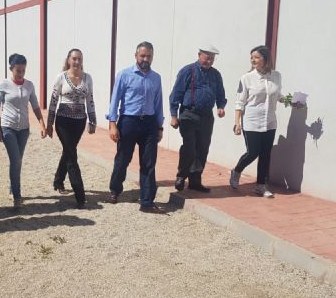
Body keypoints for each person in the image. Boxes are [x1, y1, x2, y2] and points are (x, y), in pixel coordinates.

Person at [106, 41, 166, 214]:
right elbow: (115, 100)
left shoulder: (156, 78)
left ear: (152, 57)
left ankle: (146, 201)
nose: (145, 59)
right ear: (136, 56)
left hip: (149, 124)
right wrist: (112, 124)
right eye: (142, 56)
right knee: (123, 159)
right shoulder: (124, 75)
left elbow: (158, 102)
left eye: (149, 56)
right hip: (128, 122)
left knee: (149, 163)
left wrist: (159, 126)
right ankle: (115, 190)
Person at [169, 45, 226, 193]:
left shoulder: (216, 75)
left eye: (212, 58)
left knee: (202, 148)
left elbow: (220, 93)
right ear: (199, 55)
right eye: (207, 57)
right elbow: (176, 94)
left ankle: (195, 180)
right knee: (189, 147)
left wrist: (221, 106)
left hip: (206, 116)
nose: (209, 61)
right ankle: (181, 176)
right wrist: (174, 115)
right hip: (189, 114)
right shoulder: (188, 71)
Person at [0, 53, 47, 208]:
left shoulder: (29, 85)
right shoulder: (3, 85)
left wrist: (42, 124)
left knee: (18, 160)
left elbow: (35, 106)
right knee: (16, 160)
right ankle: (17, 196)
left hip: (24, 129)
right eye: (18, 70)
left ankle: (12, 185)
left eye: (23, 70)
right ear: (11, 69)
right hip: (8, 127)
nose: (21, 73)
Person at [45, 49, 97, 209]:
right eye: (74, 58)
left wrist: (93, 120)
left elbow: (90, 99)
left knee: (69, 151)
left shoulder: (87, 78)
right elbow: (53, 100)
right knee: (72, 156)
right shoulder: (61, 77)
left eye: (79, 59)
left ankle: (58, 180)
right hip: (63, 122)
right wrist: (49, 123)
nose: (76, 62)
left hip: (79, 122)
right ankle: (80, 195)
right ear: (68, 60)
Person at [230, 45, 282, 198]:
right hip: (252, 120)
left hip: (270, 121)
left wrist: (292, 101)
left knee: (266, 154)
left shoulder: (277, 76)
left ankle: (260, 185)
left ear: (266, 59)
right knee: (253, 152)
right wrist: (237, 123)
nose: (253, 60)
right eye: (252, 57)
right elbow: (239, 102)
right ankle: (236, 171)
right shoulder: (246, 78)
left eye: (257, 57)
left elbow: (278, 95)